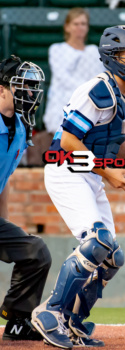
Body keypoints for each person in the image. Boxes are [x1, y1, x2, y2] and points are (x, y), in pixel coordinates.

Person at [31, 25, 125, 349]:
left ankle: (73, 322)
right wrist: (109, 172)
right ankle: (50, 313)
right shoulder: (96, 91)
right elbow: (70, 141)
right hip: (66, 169)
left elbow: (118, 137)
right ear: (114, 58)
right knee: (97, 241)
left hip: (92, 175)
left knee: (112, 257)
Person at [0, 55, 52, 341]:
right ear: (1, 90)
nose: (29, 94)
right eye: (21, 87)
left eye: (32, 87)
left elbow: (3, 180)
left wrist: (3, 225)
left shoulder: (20, 129)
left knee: (36, 252)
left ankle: (18, 321)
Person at [27, 7, 104, 166]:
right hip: (63, 101)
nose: (80, 27)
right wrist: (86, 90)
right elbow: (62, 77)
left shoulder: (93, 51)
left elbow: (98, 79)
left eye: (83, 23)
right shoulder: (57, 49)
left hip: (89, 102)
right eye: (76, 23)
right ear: (67, 27)